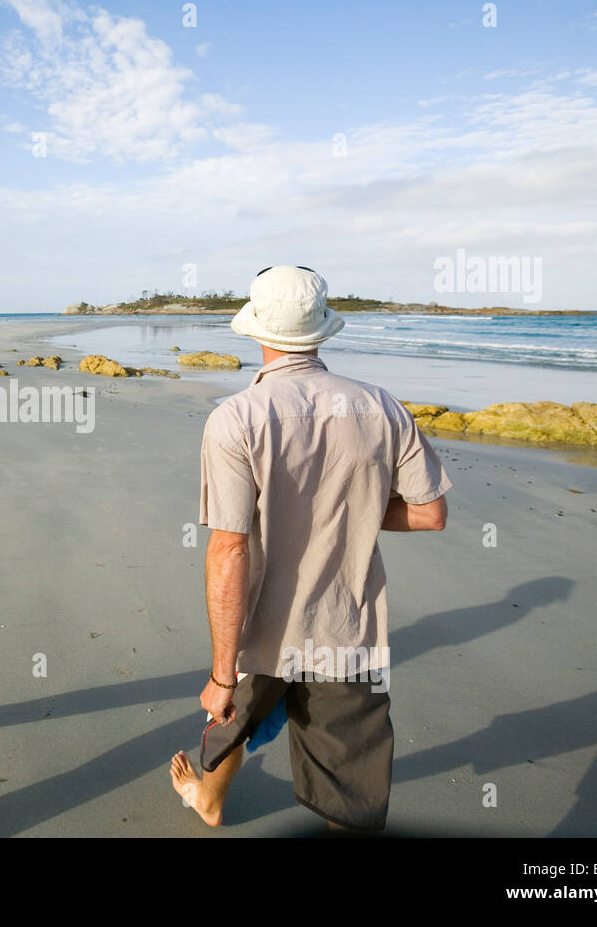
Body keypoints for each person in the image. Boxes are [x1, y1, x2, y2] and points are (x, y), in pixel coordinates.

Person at [169, 266, 453, 833]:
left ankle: (211, 800)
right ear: (322, 329)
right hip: (347, 627)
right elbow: (429, 513)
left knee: (230, 719)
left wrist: (222, 674)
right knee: (350, 787)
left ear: (256, 331)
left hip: (263, 629)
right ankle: (212, 799)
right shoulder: (381, 407)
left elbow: (229, 550)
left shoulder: (236, 418)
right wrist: (361, 509)